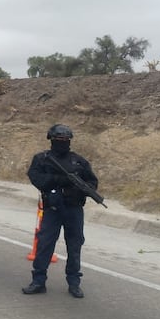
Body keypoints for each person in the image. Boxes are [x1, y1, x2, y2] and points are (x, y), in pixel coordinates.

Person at [22, 124, 99, 299]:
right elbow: (37, 179)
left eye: (65, 139)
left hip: (74, 210)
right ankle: (38, 281)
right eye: (59, 139)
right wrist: (60, 180)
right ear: (51, 140)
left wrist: (80, 189)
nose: (62, 142)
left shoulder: (79, 162)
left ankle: (74, 283)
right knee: (44, 245)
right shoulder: (42, 159)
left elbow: (92, 183)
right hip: (53, 209)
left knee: (75, 246)